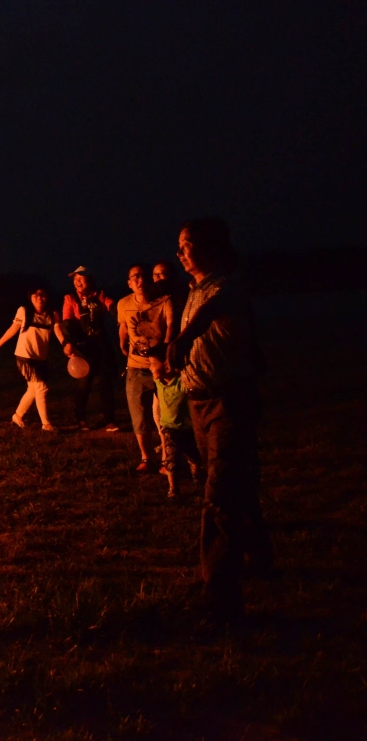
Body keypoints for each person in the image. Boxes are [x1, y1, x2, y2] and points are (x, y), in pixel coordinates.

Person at [168, 216, 271, 623]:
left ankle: (220, 594)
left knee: (219, 496)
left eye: (187, 243)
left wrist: (185, 336)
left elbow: (215, 312)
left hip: (229, 402)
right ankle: (261, 556)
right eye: (179, 245)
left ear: (211, 247)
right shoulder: (192, 291)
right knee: (238, 485)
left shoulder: (227, 286)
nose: (180, 252)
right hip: (200, 401)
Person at [117, 265, 174, 473]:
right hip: (135, 367)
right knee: (139, 416)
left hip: (159, 367)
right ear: (130, 283)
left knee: (163, 416)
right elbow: (123, 325)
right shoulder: (124, 304)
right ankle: (146, 457)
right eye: (135, 277)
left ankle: (167, 458)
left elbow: (170, 328)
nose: (140, 280)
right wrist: (122, 343)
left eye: (143, 276)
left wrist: (163, 356)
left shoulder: (165, 301)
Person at [0, 287, 68, 431]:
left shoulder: (52, 314)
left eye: (42, 294)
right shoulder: (24, 311)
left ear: (47, 297)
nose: (39, 297)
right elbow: (13, 328)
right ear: (30, 297)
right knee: (41, 387)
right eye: (35, 294)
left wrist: (65, 345)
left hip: (40, 357)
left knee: (32, 388)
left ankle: (17, 416)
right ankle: (46, 424)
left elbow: (58, 332)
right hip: (24, 356)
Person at [61, 266, 120, 431]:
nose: (77, 282)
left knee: (105, 383)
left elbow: (113, 306)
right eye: (75, 279)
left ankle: (110, 420)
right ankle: (80, 419)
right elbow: (67, 322)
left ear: (90, 279)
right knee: (84, 384)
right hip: (83, 347)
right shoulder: (70, 298)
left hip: (100, 344)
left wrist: (121, 318)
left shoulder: (99, 295)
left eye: (81, 278)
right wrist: (68, 342)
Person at [148, 355, 202, 499]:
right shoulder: (157, 382)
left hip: (187, 427)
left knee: (194, 456)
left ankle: (197, 478)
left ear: (167, 366)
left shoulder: (182, 383)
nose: (150, 367)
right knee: (170, 459)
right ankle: (173, 489)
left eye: (153, 364)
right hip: (169, 428)